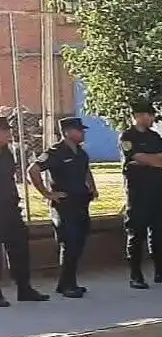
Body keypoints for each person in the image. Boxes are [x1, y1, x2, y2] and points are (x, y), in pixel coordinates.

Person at [28, 117, 96, 298]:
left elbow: (86, 170)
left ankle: (68, 282)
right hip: (64, 205)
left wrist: (92, 187)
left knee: (80, 242)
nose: (83, 133)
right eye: (79, 130)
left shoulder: (81, 153)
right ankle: (66, 285)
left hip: (81, 202)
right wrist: (47, 194)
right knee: (70, 242)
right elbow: (33, 170)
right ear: (67, 132)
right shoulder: (55, 152)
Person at [119, 102, 162, 289]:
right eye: (150, 115)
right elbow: (138, 157)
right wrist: (155, 160)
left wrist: (152, 161)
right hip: (138, 192)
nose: (153, 118)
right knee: (137, 233)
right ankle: (136, 275)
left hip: (158, 190)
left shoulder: (154, 136)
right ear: (139, 115)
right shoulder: (128, 136)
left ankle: (161, 271)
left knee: (159, 231)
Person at [0, 116, 47, 306]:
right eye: (5, 131)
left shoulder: (6, 151)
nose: (9, 134)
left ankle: (24, 288)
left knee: (19, 246)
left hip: (10, 207)